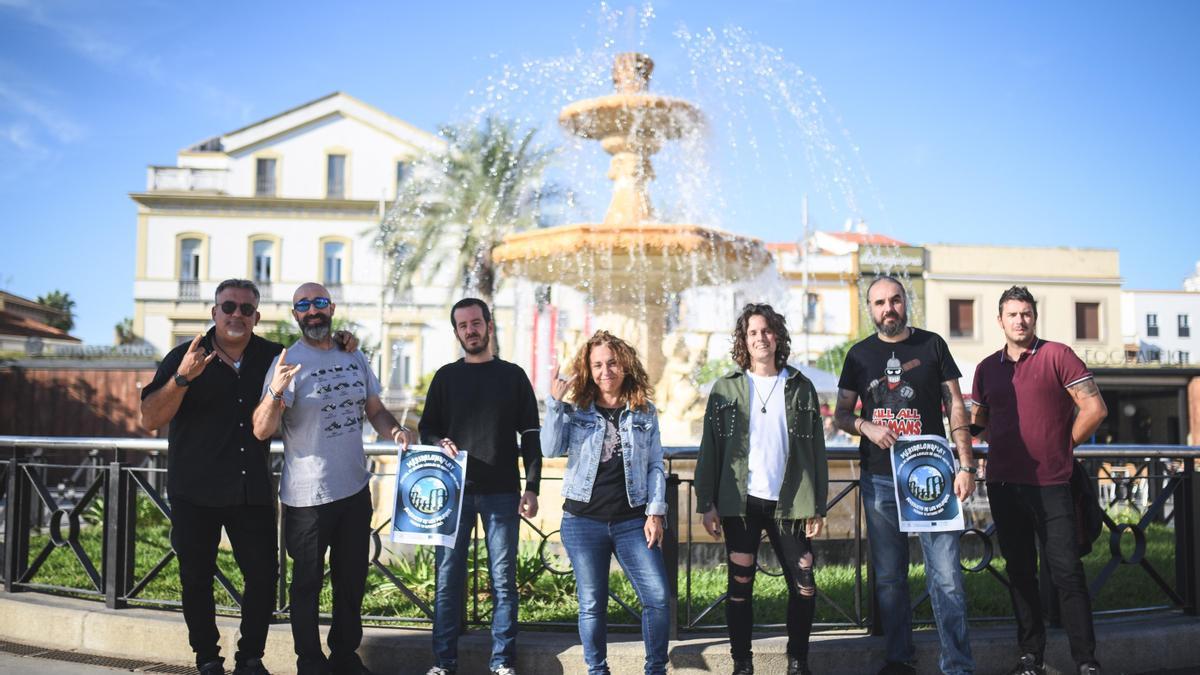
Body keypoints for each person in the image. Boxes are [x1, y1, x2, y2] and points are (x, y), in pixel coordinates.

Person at [252, 282, 413, 675]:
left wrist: (395, 431)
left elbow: (375, 408)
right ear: (295, 314)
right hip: (306, 496)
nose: (312, 311)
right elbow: (261, 430)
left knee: (351, 580)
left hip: (354, 489)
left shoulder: (353, 354)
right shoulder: (287, 360)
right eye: (303, 305)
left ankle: (344, 655)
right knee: (306, 584)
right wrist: (276, 391)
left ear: (332, 307)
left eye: (319, 303)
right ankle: (309, 661)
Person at [833, 275, 976, 675]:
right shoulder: (859, 355)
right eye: (879, 303)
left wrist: (966, 464)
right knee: (890, 579)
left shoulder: (932, 345)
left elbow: (957, 408)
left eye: (894, 300)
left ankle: (959, 666)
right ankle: (899, 661)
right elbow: (842, 412)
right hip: (880, 478)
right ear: (870, 309)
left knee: (946, 576)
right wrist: (867, 427)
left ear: (905, 302)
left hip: (933, 476)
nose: (888, 309)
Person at [140, 279, 281, 675]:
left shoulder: (271, 356)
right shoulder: (185, 354)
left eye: (246, 309)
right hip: (195, 490)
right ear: (214, 312)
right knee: (196, 580)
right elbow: (150, 418)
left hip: (249, 487)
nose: (237, 315)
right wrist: (183, 377)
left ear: (257, 316)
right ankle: (207, 659)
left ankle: (251, 658)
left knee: (263, 576)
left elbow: (315, 351)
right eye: (229, 307)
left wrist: (343, 340)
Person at [970, 286, 1106, 675]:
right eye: (1012, 314)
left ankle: (1086, 660)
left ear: (1034, 316)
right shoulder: (986, 368)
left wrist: (1063, 446)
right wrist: (953, 426)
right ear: (1000, 320)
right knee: (1020, 572)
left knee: (1066, 571)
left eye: (1026, 313)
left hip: (1051, 482)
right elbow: (978, 425)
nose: (1020, 320)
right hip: (1002, 484)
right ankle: (1031, 656)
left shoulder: (1057, 355)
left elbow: (1095, 408)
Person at [695, 303, 827, 675]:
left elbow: (816, 448)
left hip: (791, 503)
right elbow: (711, 449)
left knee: (805, 585)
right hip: (741, 503)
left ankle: (797, 660)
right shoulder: (726, 388)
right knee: (740, 586)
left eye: (766, 330)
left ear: (777, 336)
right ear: (744, 340)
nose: (760, 337)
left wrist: (818, 504)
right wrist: (706, 503)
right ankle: (742, 662)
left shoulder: (801, 386)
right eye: (753, 332)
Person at [420, 298, 542, 675]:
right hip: (451, 495)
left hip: (503, 492)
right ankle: (444, 663)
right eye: (462, 325)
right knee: (446, 581)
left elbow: (531, 435)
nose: (470, 330)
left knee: (504, 581)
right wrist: (439, 442)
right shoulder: (445, 377)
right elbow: (427, 428)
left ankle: (502, 661)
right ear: (456, 331)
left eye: (476, 323)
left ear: (489, 325)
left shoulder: (514, 375)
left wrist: (532, 486)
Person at [541, 330, 670, 675]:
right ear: (589, 369)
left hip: (632, 520)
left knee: (657, 598)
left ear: (625, 365)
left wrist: (655, 511)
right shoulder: (578, 409)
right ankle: (597, 670)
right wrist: (554, 403)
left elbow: (657, 463)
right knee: (592, 604)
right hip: (583, 521)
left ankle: (655, 669)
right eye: (597, 365)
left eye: (611, 363)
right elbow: (550, 448)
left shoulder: (643, 410)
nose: (605, 371)